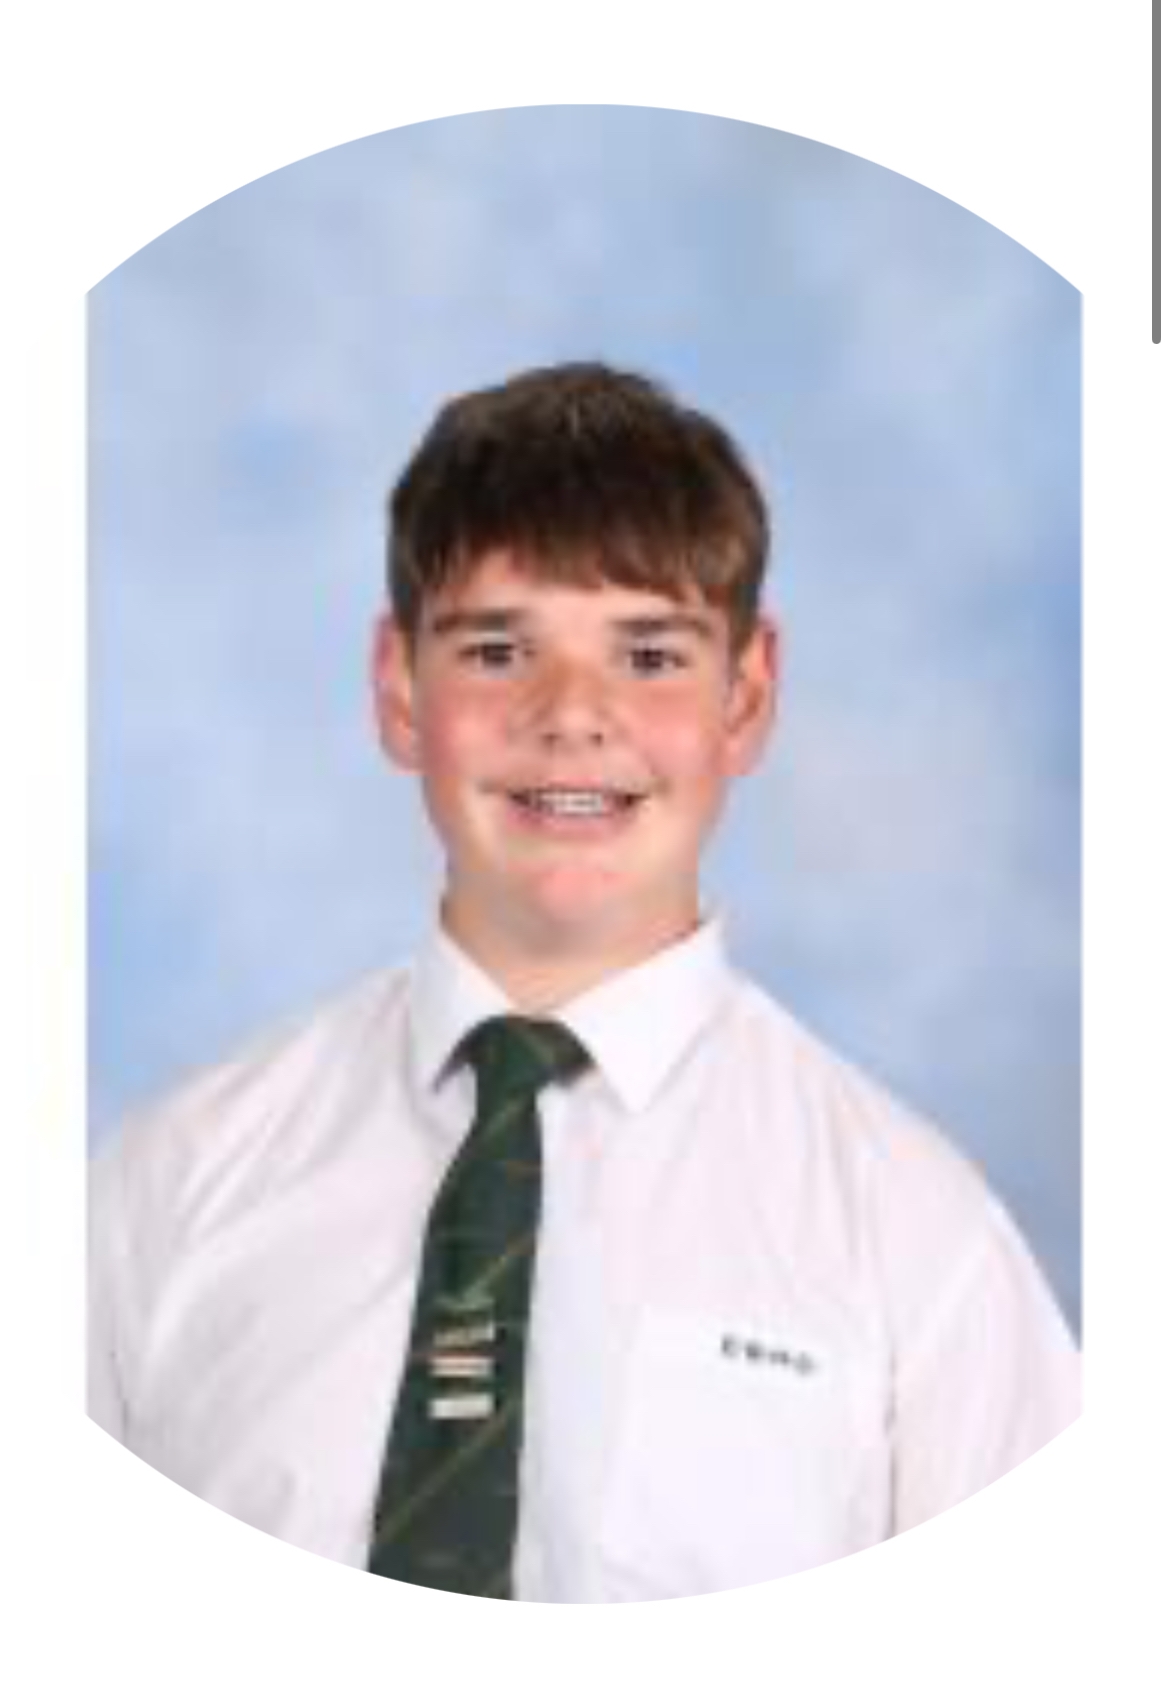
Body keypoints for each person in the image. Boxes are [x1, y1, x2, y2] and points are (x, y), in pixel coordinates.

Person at [88, 361, 1080, 1603]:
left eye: (650, 654)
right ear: (399, 689)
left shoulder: (919, 1244)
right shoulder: (167, 1189)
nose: (571, 716)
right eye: (498, 649)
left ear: (746, 697)